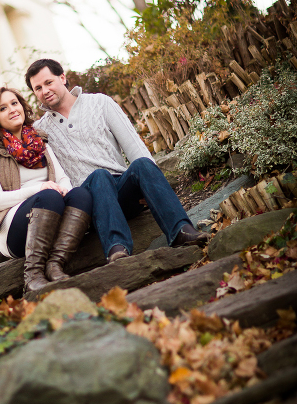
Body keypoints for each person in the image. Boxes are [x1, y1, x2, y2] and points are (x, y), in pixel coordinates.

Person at [25, 59, 209, 263]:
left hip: (123, 192)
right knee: (99, 176)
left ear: (62, 77)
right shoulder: (41, 131)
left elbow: (135, 148)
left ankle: (181, 231)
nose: (44, 91)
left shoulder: (100, 103)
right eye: (38, 88)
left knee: (140, 164)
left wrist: (148, 189)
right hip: (89, 205)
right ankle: (117, 249)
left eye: (48, 82)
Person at [0, 87, 92, 293]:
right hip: (12, 228)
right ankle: (33, 274)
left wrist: (62, 191)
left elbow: (62, 178)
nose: (12, 109)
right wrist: (39, 189)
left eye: (14, 103)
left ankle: (55, 264)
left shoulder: (39, 141)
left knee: (81, 194)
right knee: (48, 196)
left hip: (50, 213)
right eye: (3, 108)